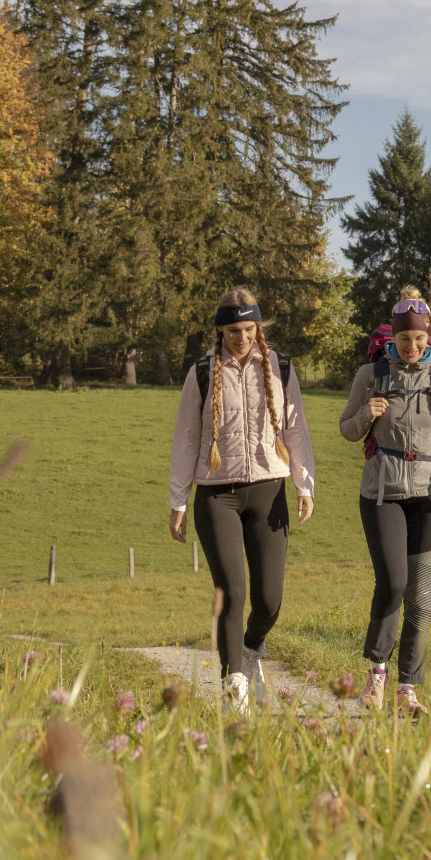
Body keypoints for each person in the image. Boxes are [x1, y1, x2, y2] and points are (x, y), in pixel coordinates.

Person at [168, 288, 317, 713]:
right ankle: (234, 687)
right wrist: (178, 500)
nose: (241, 338)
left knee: (269, 600)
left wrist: (304, 485)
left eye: (249, 329)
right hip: (216, 497)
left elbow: (296, 430)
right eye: (233, 330)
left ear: (258, 328)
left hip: (269, 492)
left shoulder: (279, 367)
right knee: (232, 591)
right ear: (220, 330)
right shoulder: (202, 372)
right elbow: (186, 439)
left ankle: (251, 651)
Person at [338, 286, 431, 716]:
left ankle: (408, 689)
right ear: (392, 337)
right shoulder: (370, 375)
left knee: (421, 596)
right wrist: (367, 414)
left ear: (428, 338)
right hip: (383, 494)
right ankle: (376, 676)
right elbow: (348, 430)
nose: (411, 347)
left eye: (418, 340)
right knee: (393, 584)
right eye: (403, 339)